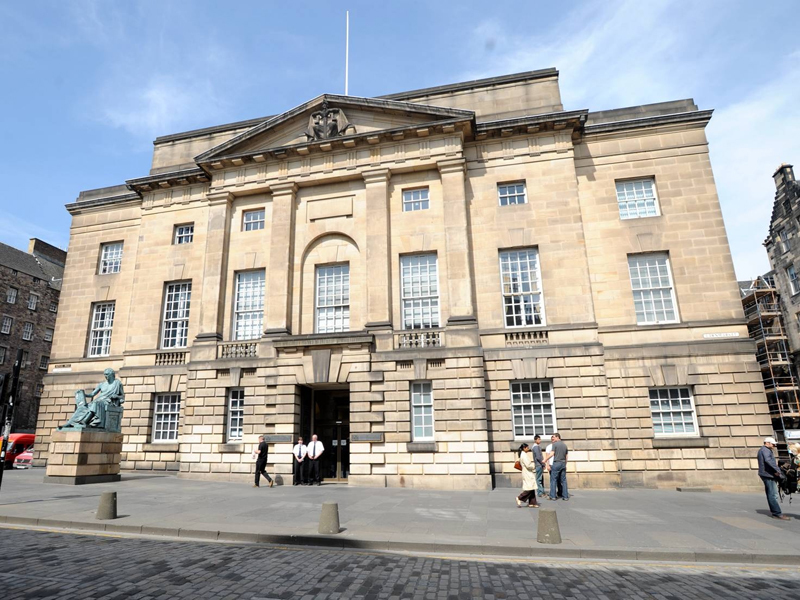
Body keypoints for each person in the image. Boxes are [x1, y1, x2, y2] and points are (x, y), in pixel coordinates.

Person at [758, 437, 789, 520]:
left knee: (770, 494)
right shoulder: (765, 450)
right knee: (773, 494)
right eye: (773, 444)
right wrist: (777, 471)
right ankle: (777, 513)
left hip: (766, 474)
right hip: (768, 475)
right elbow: (769, 461)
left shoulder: (763, 450)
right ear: (767, 443)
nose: (774, 445)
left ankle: (775, 512)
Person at [515, 443, 539, 508]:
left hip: (527, 472)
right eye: (527, 448)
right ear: (524, 448)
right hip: (527, 472)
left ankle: (532, 502)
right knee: (529, 487)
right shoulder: (524, 455)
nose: (528, 449)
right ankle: (519, 497)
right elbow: (528, 465)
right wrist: (534, 466)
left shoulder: (523, 454)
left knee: (532, 487)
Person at [547, 433, 569, 501]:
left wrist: (545, 459)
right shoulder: (565, 445)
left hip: (556, 463)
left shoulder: (555, 444)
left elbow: (552, 454)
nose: (553, 439)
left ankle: (553, 496)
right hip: (563, 463)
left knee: (553, 480)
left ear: (557, 437)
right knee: (564, 480)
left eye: (554, 437)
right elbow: (566, 456)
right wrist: (565, 464)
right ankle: (565, 496)